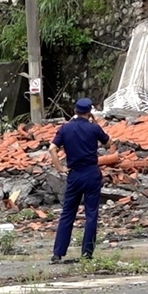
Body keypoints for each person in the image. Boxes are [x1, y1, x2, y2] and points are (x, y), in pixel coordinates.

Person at [49, 98, 109, 263]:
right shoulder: (94, 128)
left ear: (74, 110)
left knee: (68, 213)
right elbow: (109, 142)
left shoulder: (65, 128)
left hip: (74, 174)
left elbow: (52, 148)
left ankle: (58, 253)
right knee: (91, 214)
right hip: (91, 173)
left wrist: (59, 168)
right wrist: (94, 122)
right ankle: (87, 253)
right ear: (89, 111)